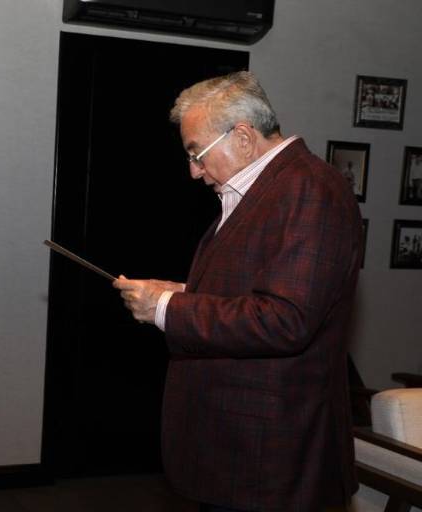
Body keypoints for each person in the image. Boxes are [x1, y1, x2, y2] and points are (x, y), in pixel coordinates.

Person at [113, 71, 361, 512]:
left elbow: (285, 320)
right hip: (238, 454)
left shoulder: (309, 188)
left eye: (197, 153)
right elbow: (257, 289)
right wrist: (185, 292)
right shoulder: (267, 188)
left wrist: (166, 308)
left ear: (243, 138)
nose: (193, 171)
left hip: (271, 460)